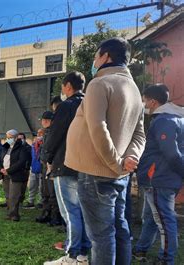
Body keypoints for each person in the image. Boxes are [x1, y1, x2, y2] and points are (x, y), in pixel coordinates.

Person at [65, 37, 146, 265]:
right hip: (118, 173)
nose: (94, 62)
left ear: (105, 56)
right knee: (118, 228)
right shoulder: (135, 90)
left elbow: (97, 128)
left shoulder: (99, 84)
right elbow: (140, 134)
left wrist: (115, 163)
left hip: (97, 171)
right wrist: (130, 157)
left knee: (101, 236)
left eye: (95, 57)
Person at [133, 84, 184, 265]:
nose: (144, 104)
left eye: (144, 100)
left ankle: (165, 259)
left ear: (153, 101)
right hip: (163, 178)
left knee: (164, 220)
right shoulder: (177, 119)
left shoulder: (163, 121)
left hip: (159, 179)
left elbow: (171, 153)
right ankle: (141, 249)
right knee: (152, 218)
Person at [43, 72, 90, 264]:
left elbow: (55, 134)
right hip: (86, 166)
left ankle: (72, 255)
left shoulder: (67, 106)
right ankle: (83, 255)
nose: (62, 90)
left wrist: (47, 157)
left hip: (65, 165)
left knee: (70, 212)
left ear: (68, 86)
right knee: (82, 212)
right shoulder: (90, 103)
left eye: (63, 86)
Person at [0, 129, 31, 221]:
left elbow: (21, 162)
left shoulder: (22, 148)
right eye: (7, 137)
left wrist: (9, 170)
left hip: (15, 174)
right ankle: (9, 213)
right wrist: (0, 169)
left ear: (16, 138)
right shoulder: (5, 147)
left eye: (10, 137)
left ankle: (14, 215)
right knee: (8, 195)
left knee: (14, 195)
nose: (8, 139)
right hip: (5, 174)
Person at [36, 110, 61, 226]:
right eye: (43, 120)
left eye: (47, 120)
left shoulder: (55, 132)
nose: (44, 122)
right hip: (44, 165)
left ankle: (56, 217)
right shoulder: (46, 133)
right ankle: (46, 214)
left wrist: (49, 162)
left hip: (51, 166)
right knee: (44, 192)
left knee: (53, 193)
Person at [24, 131, 42, 209]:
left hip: (42, 170)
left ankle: (41, 202)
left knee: (41, 187)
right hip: (34, 168)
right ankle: (31, 201)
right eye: (38, 134)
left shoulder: (45, 145)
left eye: (41, 134)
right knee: (32, 186)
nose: (38, 135)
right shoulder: (33, 145)